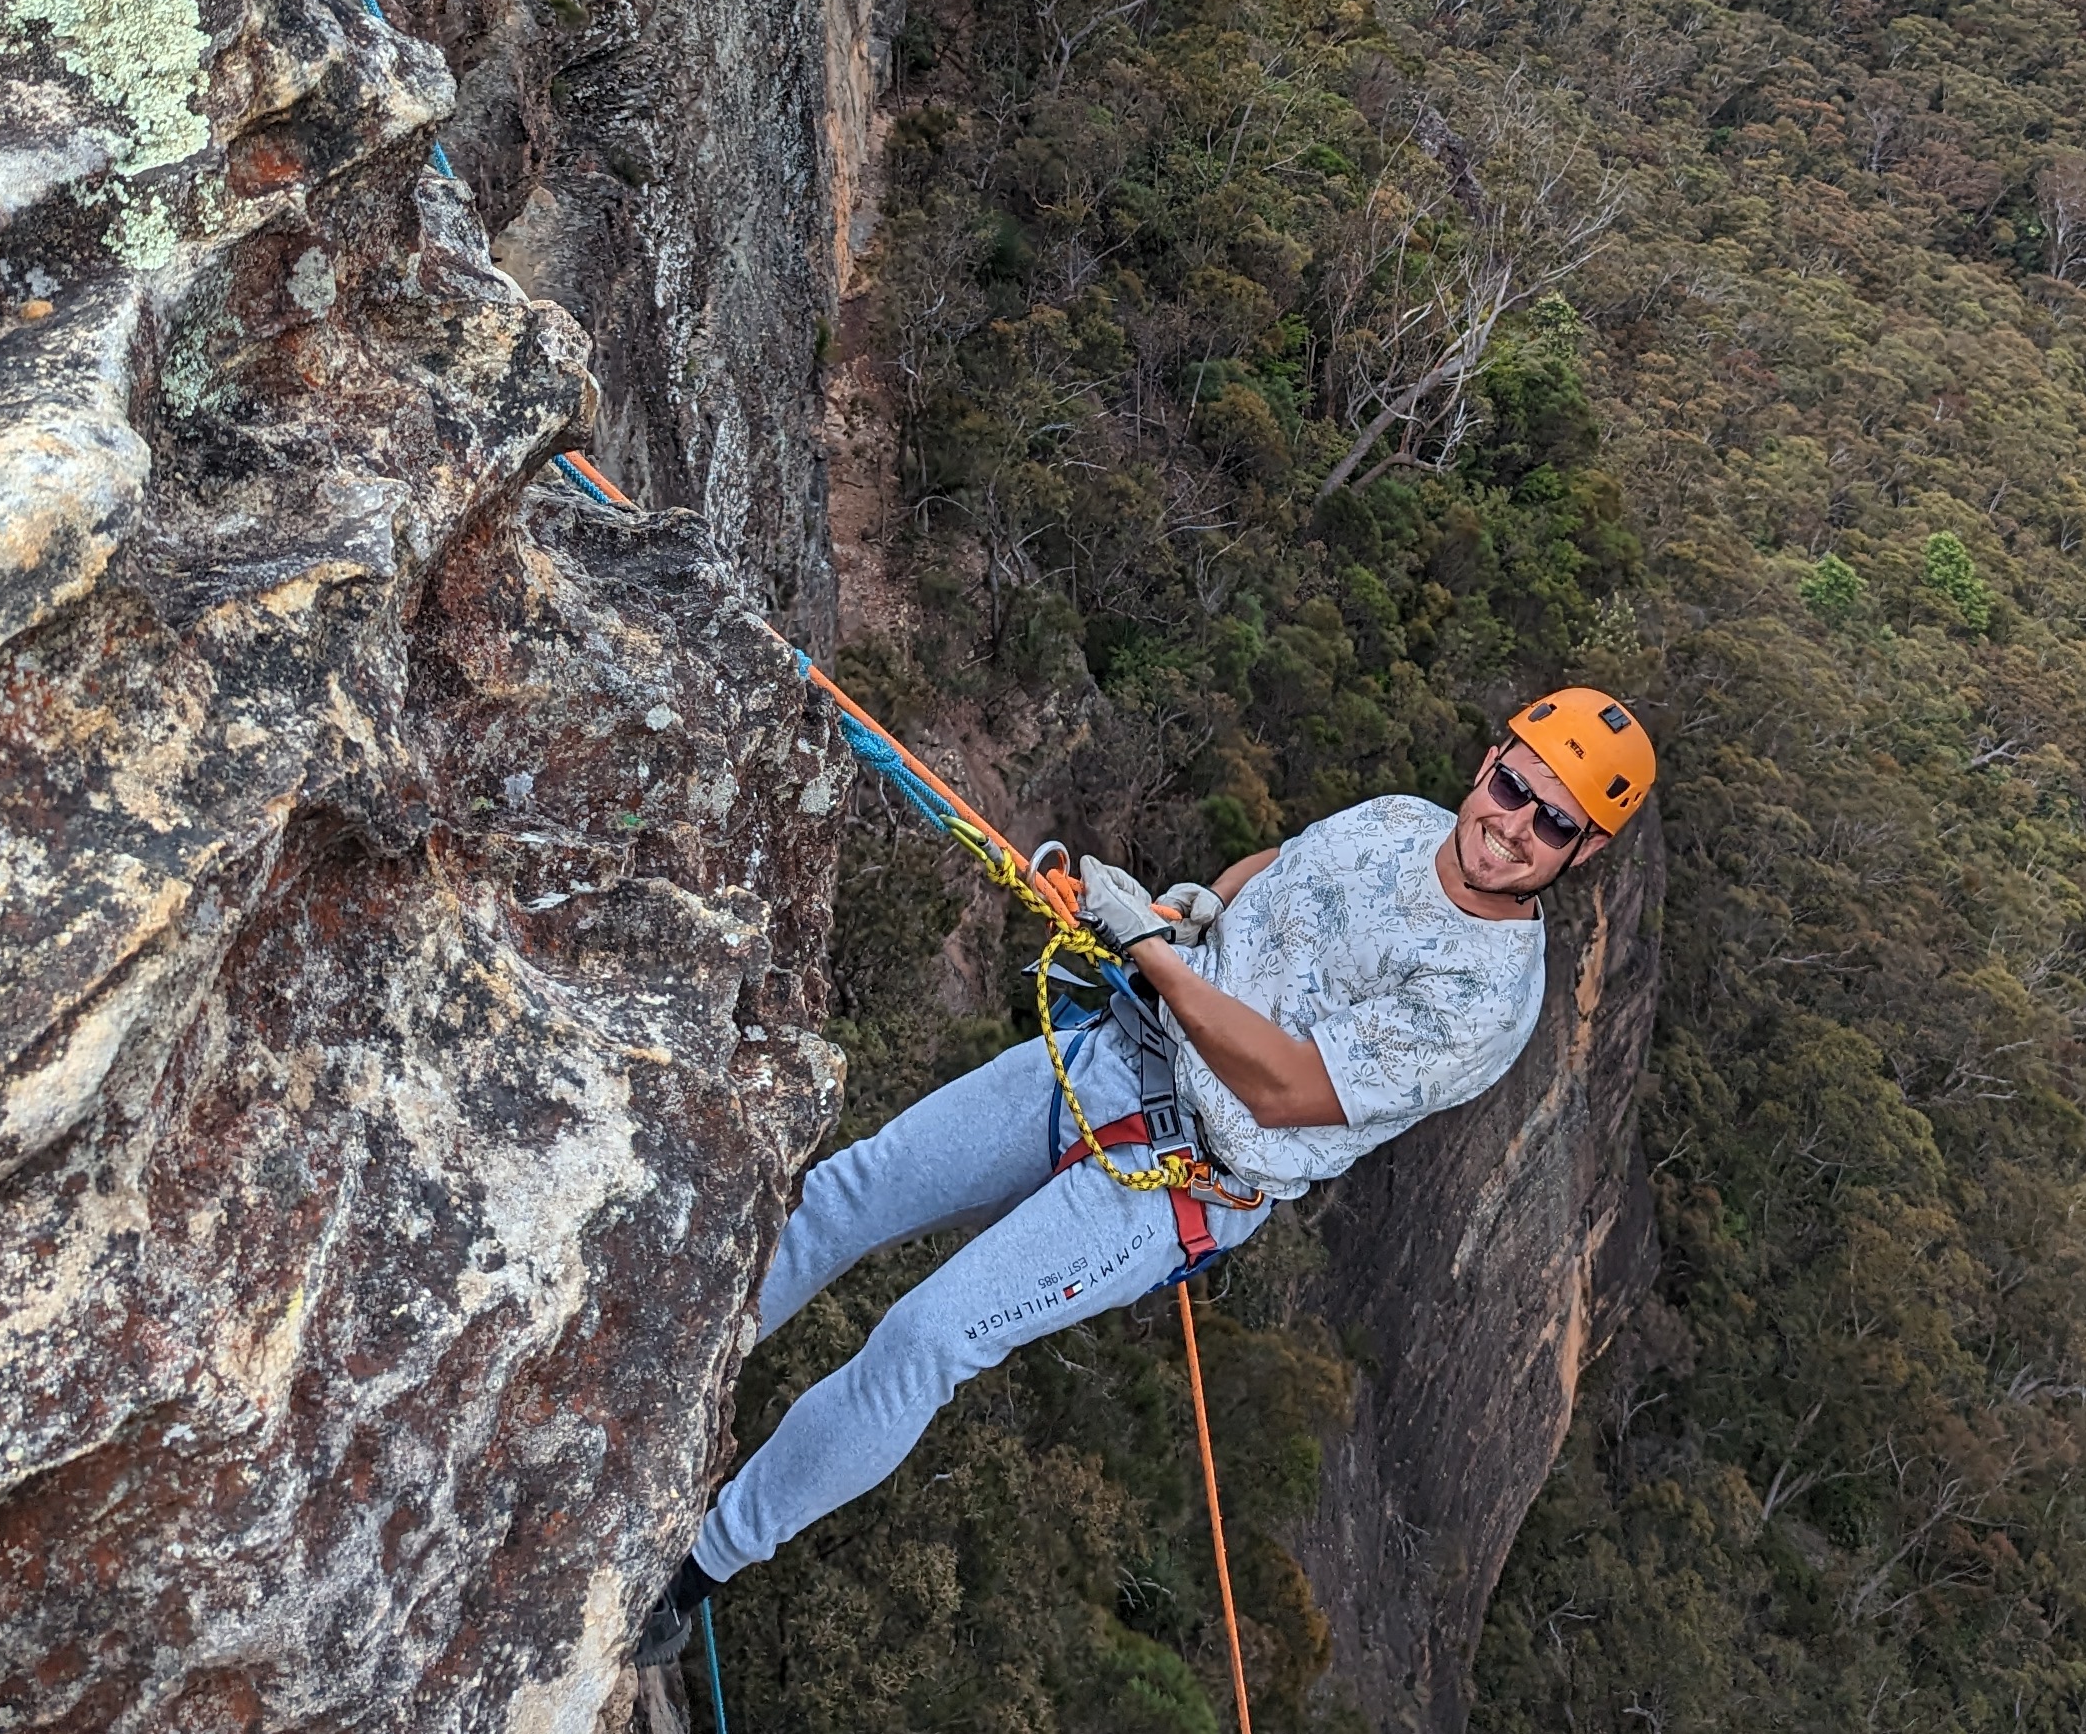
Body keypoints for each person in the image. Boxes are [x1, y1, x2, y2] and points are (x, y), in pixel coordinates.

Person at [636, 687, 1658, 1660]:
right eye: (1513, 787)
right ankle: (654, 1386)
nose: (1514, 824)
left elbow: (1286, 1092)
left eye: (1554, 825)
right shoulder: (1400, 818)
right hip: (1120, 1048)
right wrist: (1202, 907)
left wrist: (1152, 948)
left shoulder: (1485, 999)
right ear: (1489, 762)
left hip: (1179, 1177)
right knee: (844, 1195)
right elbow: (1286, 865)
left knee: (925, 1339)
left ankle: (693, 1574)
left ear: (1587, 849)